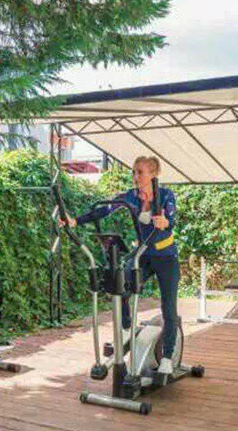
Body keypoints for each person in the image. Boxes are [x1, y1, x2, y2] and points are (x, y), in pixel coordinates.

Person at [61, 155, 180, 377]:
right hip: (143, 254)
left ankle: (167, 358)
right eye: (134, 172)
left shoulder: (165, 195)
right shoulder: (131, 197)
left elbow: (171, 220)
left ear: (153, 174)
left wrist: (165, 222)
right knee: (121, 285)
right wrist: (75, 221)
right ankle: (127, 329)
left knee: (169, 308)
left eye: (140, 172)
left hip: (166, 256)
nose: (135, 176)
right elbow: (104, 210)